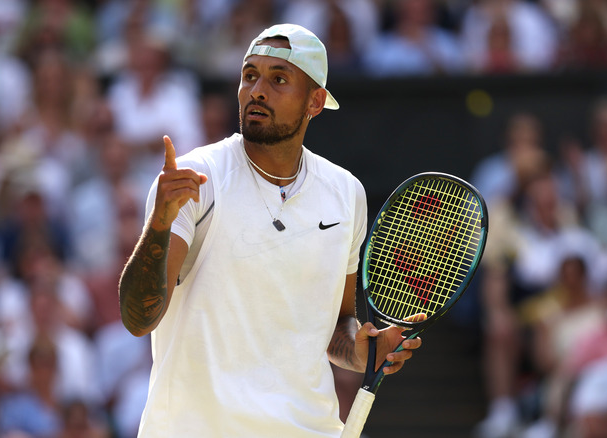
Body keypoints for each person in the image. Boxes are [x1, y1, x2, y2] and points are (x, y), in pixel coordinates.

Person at [118, 23, 423, 437]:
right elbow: (139, 319)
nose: (257, 90)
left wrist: (360, 350)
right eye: (250, 76)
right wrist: (158, 225)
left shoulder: (346, 193)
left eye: (279, 78)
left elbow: (337, 325)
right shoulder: (195, 177)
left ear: (315, 102)